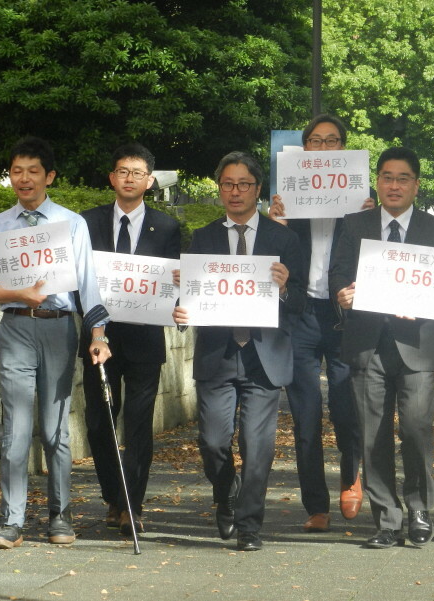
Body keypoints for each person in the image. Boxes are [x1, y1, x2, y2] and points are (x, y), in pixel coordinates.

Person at [0, 136, 111, 549]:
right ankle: (11, 521)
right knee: (15, 429)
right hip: (16, 328)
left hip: (58, 328)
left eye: (33, 171)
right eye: (17, 171)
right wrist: (19, 294)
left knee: (55, 430)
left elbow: (88, 285)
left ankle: (60, 515)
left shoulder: (72, 224)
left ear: (49, 176)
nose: (24, 179)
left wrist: (98, 336)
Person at [173, 151, 305, 551]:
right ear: (219, 189)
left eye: (243, 184)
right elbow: (189, 297)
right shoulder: (203, 237)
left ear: (257, 189)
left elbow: (300, 303)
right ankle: (225, 490)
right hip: (218, 353)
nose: (235, 192)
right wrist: (180, 307)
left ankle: (249, 525)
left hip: (265, 357)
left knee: (258, 445)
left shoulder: (284, 238)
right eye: (227, 184)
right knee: (213, 441)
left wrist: (284, 287)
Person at [329, 147, 434, 549]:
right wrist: (342, 293)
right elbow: (337, 273)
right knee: (372, 435)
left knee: (417, 428)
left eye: (403, 178)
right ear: (377, 182)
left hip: (415, 345)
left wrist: (420, 303)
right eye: (387, 177)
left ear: (416, 185)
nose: (394, 185)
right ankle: (387, 519)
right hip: (366, 345)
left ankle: (419, 507)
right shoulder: (354, 225)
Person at [268, 114, 374, 533]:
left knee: (347, 410)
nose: (324, 148)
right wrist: (274, 219)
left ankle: (351, 476)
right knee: (305, 415)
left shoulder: (364, 205)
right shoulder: (289, 197)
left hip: (343, 317)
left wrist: (370, 219)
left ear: (344, 149)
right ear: (305, 148)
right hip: (300, 316)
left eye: (332, 141)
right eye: (315, 141)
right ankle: (316, 502)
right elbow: (271, 253)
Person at [80, 143, 181, 536]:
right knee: (98, 423)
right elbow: (80, 285)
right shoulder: (86, 223)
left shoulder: (168, 227)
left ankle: (132, 506)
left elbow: (174, 287)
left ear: (150, 181)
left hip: (144, 341)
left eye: (137, 173)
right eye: (122, 171)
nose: (129, 178)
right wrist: (94, 329)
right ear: (112, 177)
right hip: (98, 339)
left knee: (139, 426)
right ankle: (113, 496)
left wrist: (177, 286)